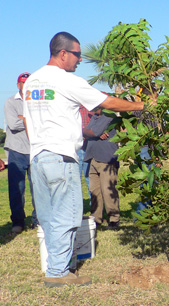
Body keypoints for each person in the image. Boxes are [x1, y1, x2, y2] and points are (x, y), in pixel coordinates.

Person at [23, 32, 145, 287]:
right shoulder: (66, 80)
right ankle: (59, 273)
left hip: (38, 158)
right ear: (63, 53)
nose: (80, 60)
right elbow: (107, 101)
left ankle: (55, 267)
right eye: (77, 55)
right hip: (61, 157)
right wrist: (139, 106)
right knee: (68, 215)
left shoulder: (33, 81)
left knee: (48, 216)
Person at [4, 72, 38, 233]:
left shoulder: (37, 101)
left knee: (37, 187)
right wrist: (29, 119)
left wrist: (23, 118)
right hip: (16, 150)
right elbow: (13, 124)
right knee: (17, 189)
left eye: (29, 83)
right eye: (24, 83)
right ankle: (18, 221)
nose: (26, 86)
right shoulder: (10, 102)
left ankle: (38, 220)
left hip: (35, 149)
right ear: (18, 85)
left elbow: (42, 121)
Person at [83, 108, 120, 230]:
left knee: (108, 190)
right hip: (93, 157)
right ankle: (96, 218)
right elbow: (90, 132)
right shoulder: (94, 117)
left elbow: (93, 131)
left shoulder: (109, 117)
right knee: (94, 190)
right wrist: (89, 132)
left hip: (107, 158)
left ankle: (114, 219)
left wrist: (89, 133)